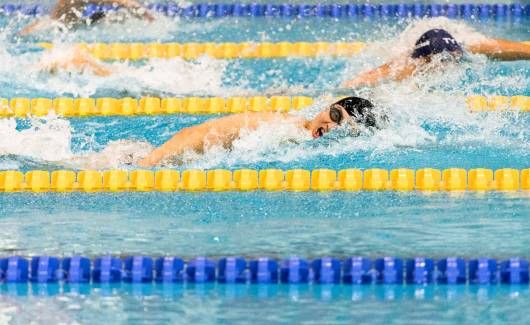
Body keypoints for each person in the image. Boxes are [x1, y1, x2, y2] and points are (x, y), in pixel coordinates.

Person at [137, 96, 382, 167]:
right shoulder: (281, 127)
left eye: (342, 127)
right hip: (159, 160)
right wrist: (148, 164)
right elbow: (201, 133)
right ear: (328, 106)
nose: (330, 127)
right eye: (335, 115)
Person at [342, 28, 530, 88]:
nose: (447, 65)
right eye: (441, 60)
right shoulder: (407, 65)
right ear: (425, 59)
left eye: (452, 59)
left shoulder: (469, 49)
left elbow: (522, 50)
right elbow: (360, 81)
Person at [18, 0, 154, 36]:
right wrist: (148, 17)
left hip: (70, 25)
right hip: (55, 27)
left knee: (114, 17)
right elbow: (123, 2)